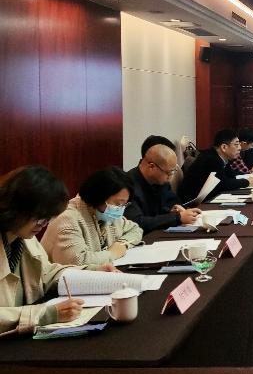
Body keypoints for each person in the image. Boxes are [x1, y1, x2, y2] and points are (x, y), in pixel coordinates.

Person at [1, 166, 116, 336]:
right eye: (39, 217)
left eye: (48, 218)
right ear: (16, 208)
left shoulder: (22, 237)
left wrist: (92, 271)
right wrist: (47, 314)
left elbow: (45, 273)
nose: (43, 224)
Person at [42, 167, 143, 265]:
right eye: (118, 203)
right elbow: (78, 261)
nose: (120, 209)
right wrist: (113, 253)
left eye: (124, 204)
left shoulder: (108, 215)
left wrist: (121, 244)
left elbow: (135, 230)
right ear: (99, 197)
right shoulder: (67, 219)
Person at [125, 139, 200, 233]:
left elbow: (172, 204)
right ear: (151, 166)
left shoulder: (161, 181)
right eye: (169, 172)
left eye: (173, 171)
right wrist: (177, 218)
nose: (170, 177)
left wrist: (177, 210)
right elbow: (136, 222)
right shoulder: (127, 185)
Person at [178, 129, 253, 203]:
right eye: (236, 144)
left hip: (209, 198)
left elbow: (231, 177)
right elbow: (222, 184)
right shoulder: (211, 159)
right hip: (194, 203)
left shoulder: (222, 157)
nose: (240, 148)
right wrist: (247, 182)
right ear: (224, 147)